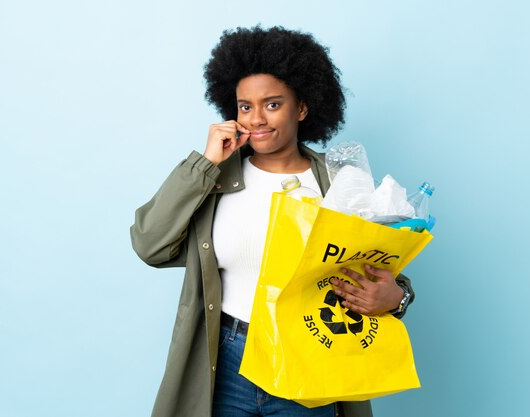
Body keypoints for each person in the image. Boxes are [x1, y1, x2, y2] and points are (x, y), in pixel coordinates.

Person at [130, 26, 415, 417]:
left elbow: (383, 268)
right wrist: (205, 163)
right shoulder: (213, 180)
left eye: (273, 104)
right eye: (245, 106)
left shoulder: (337, 183)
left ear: (302, 107)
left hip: (308, 360)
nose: (257, 119)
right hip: (224, 360)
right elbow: (149, 243)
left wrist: (396, 298)